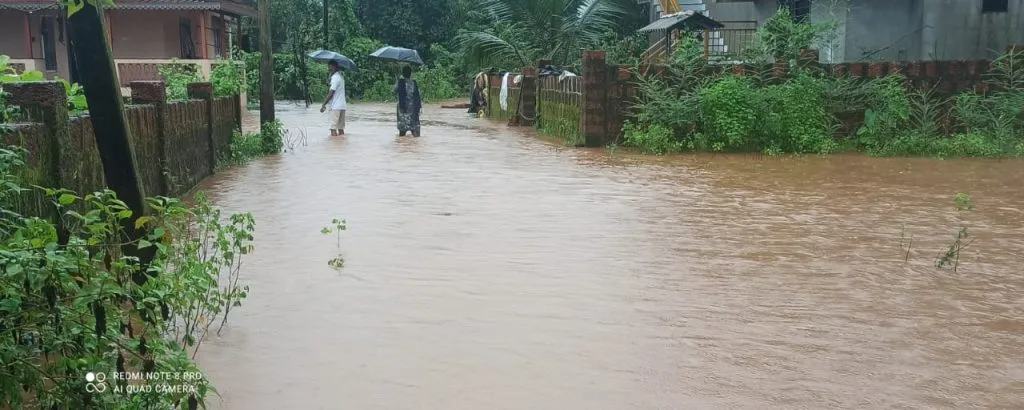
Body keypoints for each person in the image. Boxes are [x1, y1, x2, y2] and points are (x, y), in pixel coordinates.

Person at [320, 60, 347, 136]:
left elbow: (331, 92)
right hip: (342, 106)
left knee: (333, 128)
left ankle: (335, 145)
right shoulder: (341, 76)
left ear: (334, 67)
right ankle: (341, 146)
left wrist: (323, 104)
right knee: (341, 128)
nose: (328, 69)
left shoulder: (335, 77)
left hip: (335, 106)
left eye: (330, 67)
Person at [393, 65, 421, 137]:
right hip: (413, 108)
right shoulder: (414, 82)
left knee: (402, 132)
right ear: (410, 73)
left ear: (403, 73)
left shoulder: (400, 82)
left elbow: (394, 91)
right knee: (415, 131)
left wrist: (397, 81)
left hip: (402, 108)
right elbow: (418, 95)